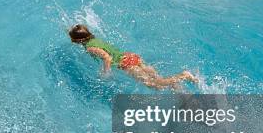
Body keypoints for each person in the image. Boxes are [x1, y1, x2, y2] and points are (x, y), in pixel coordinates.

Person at [68, 24, 197, 89]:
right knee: (158, 78)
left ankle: (183, 76)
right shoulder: (94, 38)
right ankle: (177, 87)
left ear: (78, 40)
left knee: (154, 85)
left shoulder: (90, 47)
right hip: (131, 56)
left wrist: (106, 72)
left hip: (126, 64)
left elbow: (107, 57)